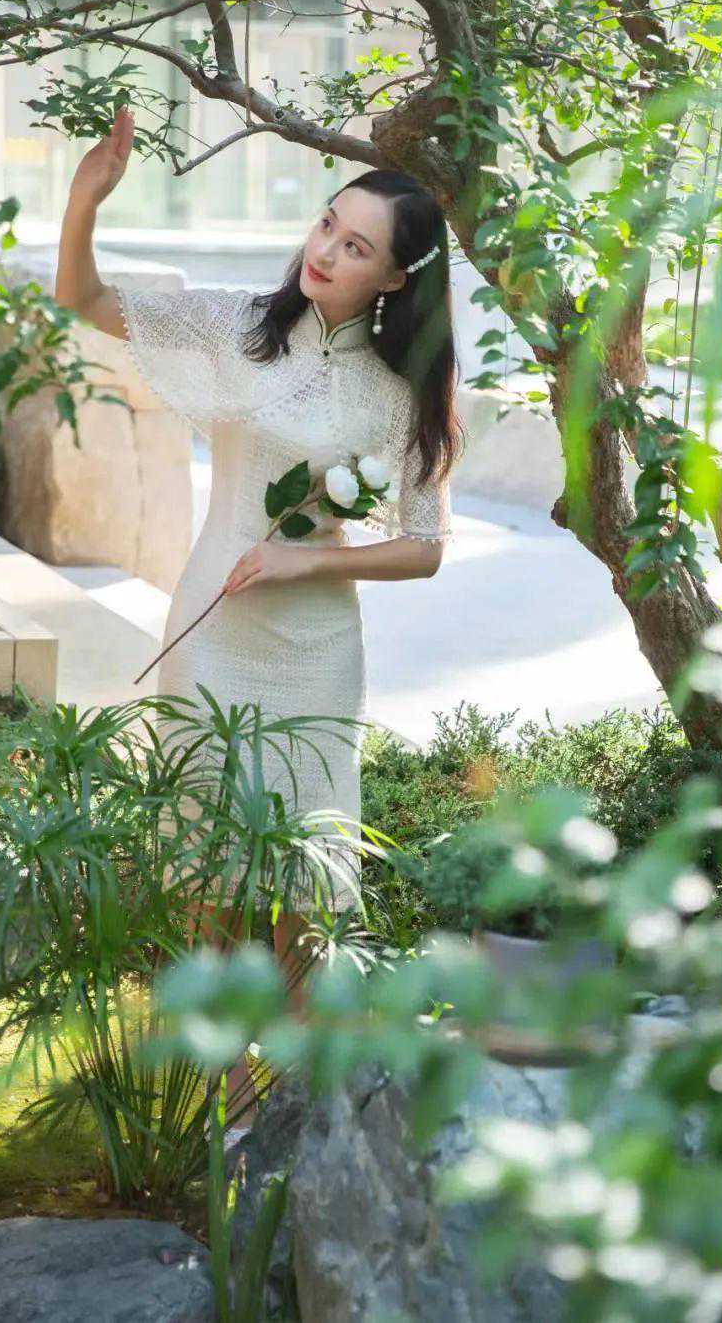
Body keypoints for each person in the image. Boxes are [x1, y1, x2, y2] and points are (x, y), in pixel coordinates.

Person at [54, 106, 463, 1130]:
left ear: (396, 279)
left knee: (308, 883)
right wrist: (85, 201)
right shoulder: (240, 326)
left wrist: (303, 557)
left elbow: (425, 545)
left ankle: (309, 1109)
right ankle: (222, 1106)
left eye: (357, 246)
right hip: (213, 629)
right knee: (210, 868)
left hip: (316, 647)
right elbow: (84, 300)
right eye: (328, 224)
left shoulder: (400, 395)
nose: (325, 250)